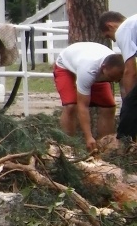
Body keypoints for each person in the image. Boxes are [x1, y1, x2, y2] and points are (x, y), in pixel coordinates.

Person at [53, 42, 124, 152]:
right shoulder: (88, 70)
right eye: (111, 77)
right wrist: (88, 137)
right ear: (103, 68)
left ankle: (105, 147)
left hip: (91, 63)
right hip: (65, 66)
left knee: (109, 107)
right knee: (71, 106)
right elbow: (83, 106)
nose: (114, 81)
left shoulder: (114, 65)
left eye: (117, 79)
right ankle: (67, 148)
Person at [99, 11, 137, 140]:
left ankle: (124, 145)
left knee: (130, 105)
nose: (114, 40)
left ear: (110, 26)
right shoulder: (133, 23)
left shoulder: (123, 30)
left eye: (109, 36)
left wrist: (128, 99)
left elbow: (130, 71)